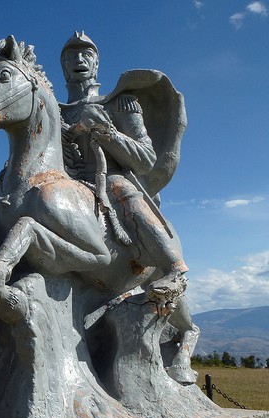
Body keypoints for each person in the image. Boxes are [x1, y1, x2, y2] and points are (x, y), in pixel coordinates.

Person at [59, 31, 187, 297]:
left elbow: (145, 158)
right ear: (63, 67)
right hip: (65, 187)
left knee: (121, 186)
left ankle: (172, 266)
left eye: (87, 55)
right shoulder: (55, 111)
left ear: (96, 65)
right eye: (71, 56)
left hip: (109, 182)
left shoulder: (119, 102)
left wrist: (108, 132)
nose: (79, 59)